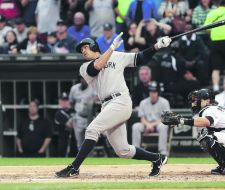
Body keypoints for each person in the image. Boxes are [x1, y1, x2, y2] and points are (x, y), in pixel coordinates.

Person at [55, 32, 172, 177]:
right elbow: (97, 66)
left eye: (85, 47)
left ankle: (74, 168)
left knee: (92, 129)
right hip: (107, 104)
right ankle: (157, 158)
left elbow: (140, 57)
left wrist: (157, 46)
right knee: (123, 150)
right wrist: (111, 49)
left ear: (93, 46)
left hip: (121, 101)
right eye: (81, 50)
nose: (83, 51)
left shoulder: (117, 56)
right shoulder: (84, 68)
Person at [161, 88, 225, 175]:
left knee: (207, 136)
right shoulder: (215, 108)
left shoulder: (209, 109)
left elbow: (207, 121)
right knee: (205, 135)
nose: (194, 103)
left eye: (197, 100)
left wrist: (181, 120)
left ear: (207, 101)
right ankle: (224, 164)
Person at [132, 81, 170, 156]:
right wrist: (148, 125)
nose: (153, 94)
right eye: (151, 91)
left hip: (158, 124)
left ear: (158, 92)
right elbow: (142, 118)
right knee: (136, 126)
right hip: (146, 124)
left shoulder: (164, 102)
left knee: (163, 126)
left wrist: (152, 125)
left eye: (155, 92)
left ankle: (163, 151)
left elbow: (165, 118)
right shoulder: (143, 102)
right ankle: (135, 151)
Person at [69, 75, 96, 150]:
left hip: (89, 118)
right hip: (78, 117)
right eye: (82, 78)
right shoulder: (74, 88)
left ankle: (90, 158)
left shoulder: (92, 87)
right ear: (80, 79)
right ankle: (80, 159)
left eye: (86, 79)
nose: (84, 80)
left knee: (89, 139)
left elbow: (98, 97)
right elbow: (71, 102)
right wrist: (72, 115)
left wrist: (92, 99)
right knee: (79, 141)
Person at [54, 92, 77, 157]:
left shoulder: (73, 111)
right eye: (63, 100)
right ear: (59, 101)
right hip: (64, 139)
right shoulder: (59, 113)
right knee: (64, 156)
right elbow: (70, 125)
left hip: (75, 139)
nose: (65, 102)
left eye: (66, 100)